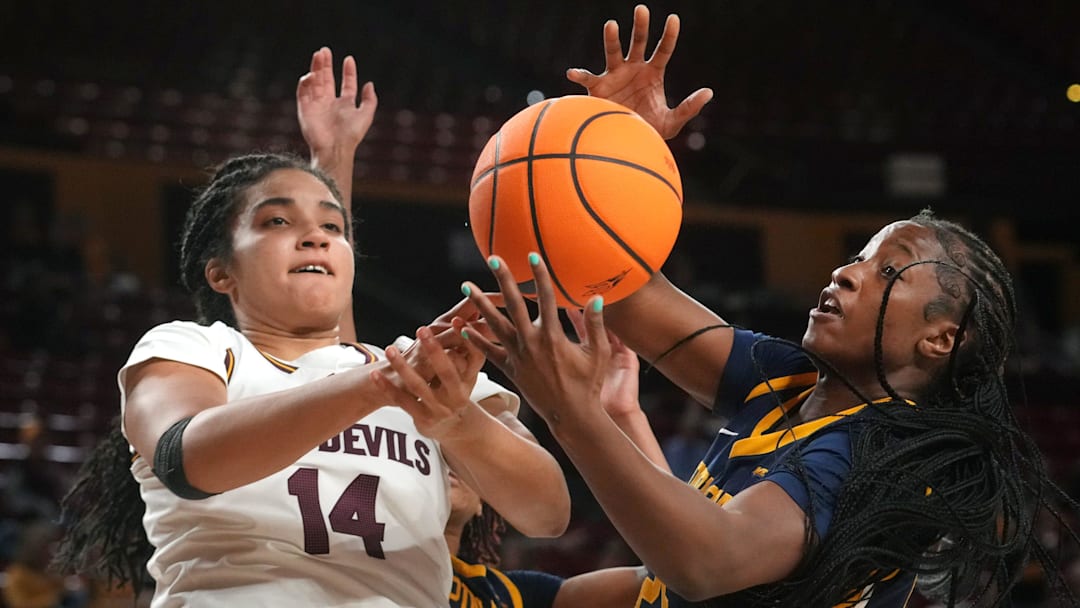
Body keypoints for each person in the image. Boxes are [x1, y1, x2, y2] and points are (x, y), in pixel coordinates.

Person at [440, 5, 1079, 607]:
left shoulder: (886, 458)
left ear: (940, 339)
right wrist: (612, 159)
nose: (847, 274)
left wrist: (572, 413)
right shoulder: (790, 382)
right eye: (856, 256)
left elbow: (708, 563)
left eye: (888, 270)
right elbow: (621, 288)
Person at [52, 51, 571, 606]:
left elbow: (547, 512)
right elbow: (185, 458)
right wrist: (383, 385)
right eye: (277, 221)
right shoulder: (196, 347)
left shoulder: (421, 370)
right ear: (220, 271)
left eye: (332, 225)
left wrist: (456, 420)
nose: (317, 237)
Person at [441, 312, 662, 608]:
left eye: (458, 452)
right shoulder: (362, 569)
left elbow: (684, 574)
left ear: (488, 497)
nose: (444, 458)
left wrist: (622, 413)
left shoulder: (515, 597)